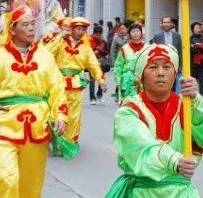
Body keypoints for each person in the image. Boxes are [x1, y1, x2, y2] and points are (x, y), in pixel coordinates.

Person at [86, 44, 203, 198]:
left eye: (167, 67)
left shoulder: (187, 106)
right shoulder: (128, 112)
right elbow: (141, 145)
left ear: (175, 74)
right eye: (153, 67)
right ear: (142, 75)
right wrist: (175, 160)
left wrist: (196, 98)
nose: (160, 73)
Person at [0, 4, 67, 198]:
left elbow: (57, 88)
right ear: (12, 29)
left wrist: (60, 114)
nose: (31, 28)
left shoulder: (45, 57)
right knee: (5, 181)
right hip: (4, 128)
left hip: (37, 128)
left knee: (31, 189)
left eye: (33, 24)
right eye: (26, 24)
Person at [51, 17, 105, 147]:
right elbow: (46, 52)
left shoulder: (86, 48)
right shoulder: (60, 42)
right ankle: (56, 140)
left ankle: (69, 143)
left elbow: (94, 65)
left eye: (83, 29)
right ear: (72, 29)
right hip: (58, 84)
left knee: (74, 116)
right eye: (78, 28)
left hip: (75, 85)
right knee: (57, 112)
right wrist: (59, 37)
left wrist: (100, 79)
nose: (81, 32)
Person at [114, 23, 146, 102]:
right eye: (133, 31)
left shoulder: (147, 48)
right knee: (129, 105)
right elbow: (118, 66)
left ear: (141, 33)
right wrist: (118, 80)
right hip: (128, 81)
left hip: (144, 80)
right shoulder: (124, 48)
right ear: (129, 34)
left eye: (138, 31)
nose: (136, 34)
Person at [151, 16, 183, 92]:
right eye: (164, 22)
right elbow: (153, 51)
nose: (166, 24)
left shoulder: (177, 36)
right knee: (162, 84)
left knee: (173, 84)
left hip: (174, 64)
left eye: (168, 22)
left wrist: (180, 65)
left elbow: (180, 51)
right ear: (162, 24)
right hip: (161, 64)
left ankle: (172, 101)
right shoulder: (157, 36)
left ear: (171, 24)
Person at [189, 22, 203, 97]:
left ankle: (202, 98)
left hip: (202, 64)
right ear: (193, 29)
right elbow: (190, 50)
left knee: (202, 83)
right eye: (196, 28)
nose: (198, 29)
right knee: (192, 82)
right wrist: (199, 47)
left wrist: (197, 47)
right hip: (192, 64)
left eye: (199, 28)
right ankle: (192, 98)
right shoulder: (190, 39)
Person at [89, 25, 110, 104]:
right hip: (92, 63)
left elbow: (106, 51)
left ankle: (99, 95)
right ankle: (92, 98)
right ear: (93, 33)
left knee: (101, 78)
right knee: (92, 80)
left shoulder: (103, 41)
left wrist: (100, 51)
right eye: (96, 34)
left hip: (101, 62)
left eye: (99, 35)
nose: (98, 36)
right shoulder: (89, 40)